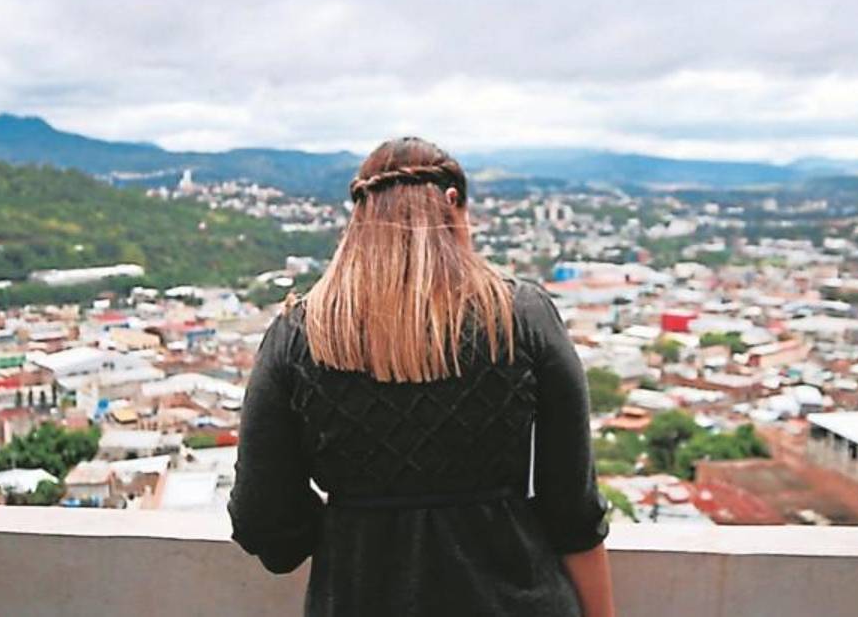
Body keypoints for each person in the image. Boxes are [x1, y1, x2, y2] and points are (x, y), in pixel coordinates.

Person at [229, 137, 615, 617]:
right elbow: (573, 511)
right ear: (453, 202)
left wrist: (351, 523)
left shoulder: (299, 336)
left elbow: (261, 518)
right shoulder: (521, 317)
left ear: (360, 215)